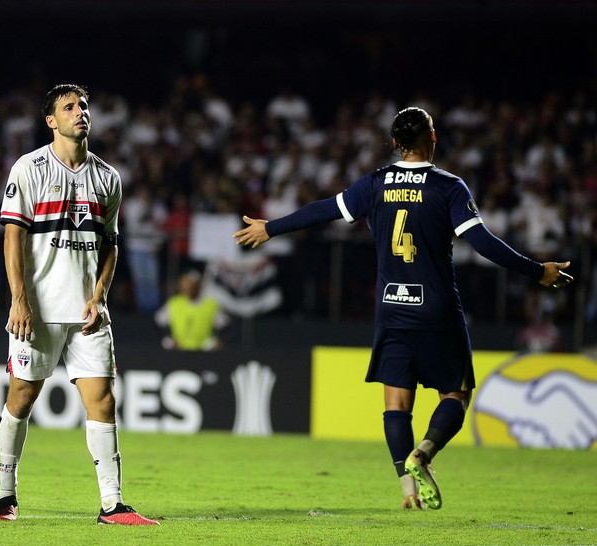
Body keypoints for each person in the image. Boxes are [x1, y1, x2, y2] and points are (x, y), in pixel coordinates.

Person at [232, 107, 573, 510]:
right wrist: (537, 271)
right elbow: (482, 243)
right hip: (438, 309)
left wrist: (270, 227)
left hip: (391, 306)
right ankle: (424, 454)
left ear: (395, 142)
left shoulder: (375, 183)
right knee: (455, 394)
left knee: (396, 404)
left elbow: (323, 210)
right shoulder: (449, 187)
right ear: (433, 137)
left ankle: (407, 491)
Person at [0, 83, 157, 526]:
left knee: (103, 400)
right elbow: (13, 237)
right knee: (22, 397)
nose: (80, 112)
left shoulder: (107, 178)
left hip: (87, 313)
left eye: (84, 105)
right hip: (39, 311)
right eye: (69, 107)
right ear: (52, 121)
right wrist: (19, 300)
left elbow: (112, 244)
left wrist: (100, 294)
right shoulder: (28, 169)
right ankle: (5, 496)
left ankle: (113, 505)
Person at [154, 270, 229, 350]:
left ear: (198, 286)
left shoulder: (211, 305)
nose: (188, 287)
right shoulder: (174, 303)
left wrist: (216, 341)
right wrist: (169, 340)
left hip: (204, 351)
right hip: (179, 351)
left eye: (191, 284)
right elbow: (159, 322)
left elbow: (225, 327)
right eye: (185, 283)